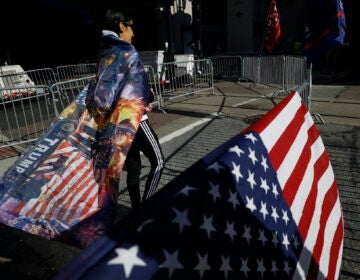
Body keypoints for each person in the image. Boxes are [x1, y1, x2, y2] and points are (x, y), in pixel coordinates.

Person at [91, 8, 164, 210]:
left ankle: (135, 209)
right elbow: (142, 93)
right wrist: (149, 94)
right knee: (158, 162)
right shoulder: (127, 51)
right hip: (136, 120)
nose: (133, 33)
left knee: (133, 167)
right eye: (131, 28)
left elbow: (105, 92)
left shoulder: (104, 52)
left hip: (117, 123)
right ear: (121, 26)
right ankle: (145, 211)